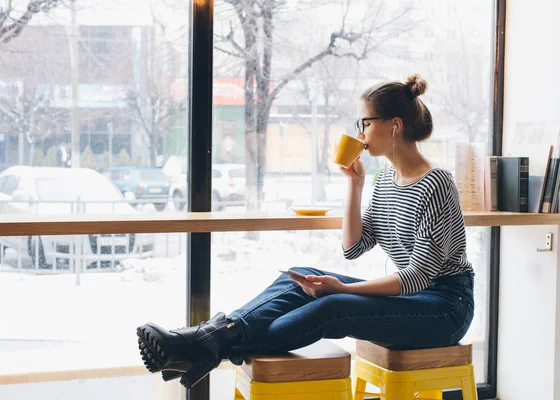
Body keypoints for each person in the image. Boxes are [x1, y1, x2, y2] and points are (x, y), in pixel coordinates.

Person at [136, 74, 475, 389]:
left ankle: (205, 345)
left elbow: (417, 276)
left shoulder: (436, 184)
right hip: (410, 297)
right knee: (301, 278)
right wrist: (355, 185)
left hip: (446, 306)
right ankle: (213, 338)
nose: (359, 133)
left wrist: (341, 288)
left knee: (333, 306)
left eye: (365, 123)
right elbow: (354, 247)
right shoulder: (384, 179)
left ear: (395, 126)